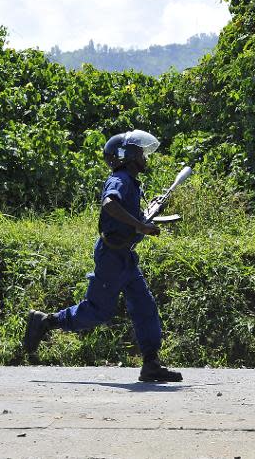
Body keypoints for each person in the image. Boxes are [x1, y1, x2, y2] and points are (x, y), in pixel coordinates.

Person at [22, 129, 183, 383]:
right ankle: (46, 321)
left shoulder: (131, 181)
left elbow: (129, 217)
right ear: (127, 155)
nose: (144, 156)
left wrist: (145, 216)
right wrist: (141, 226)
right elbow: (109, 204)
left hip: (126, 258)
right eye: (139, 152)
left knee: (145, 307)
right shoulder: (119, 179)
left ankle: (151, 365)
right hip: (111, 256)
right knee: (98, 310)